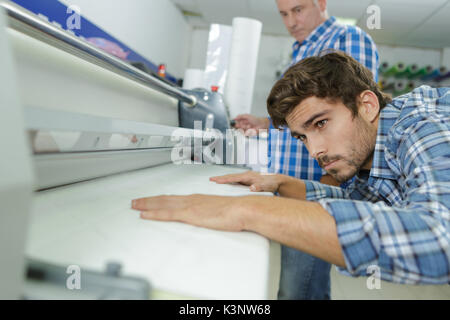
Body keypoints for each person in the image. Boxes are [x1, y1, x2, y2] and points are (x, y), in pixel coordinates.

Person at [131, 51, 450, 286]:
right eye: (303, 137)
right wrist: (281, 184)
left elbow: (441, 238)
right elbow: (366, 199)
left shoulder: (419, 127)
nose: (316, 151)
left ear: (366, 105)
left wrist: (249, 211)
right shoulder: (367, 151)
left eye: (321, 123)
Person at [234, 0, 379, 299]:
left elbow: (355, 117)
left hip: (317, 189)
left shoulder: (346, 39)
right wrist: (265, 123)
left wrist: (330, 185)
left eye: (297, 9)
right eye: (284, 14)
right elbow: (306, 118)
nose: (290, 21)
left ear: (321, 3)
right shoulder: (301, 49)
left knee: (298, 289)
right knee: (298, 286)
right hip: (294, 188)